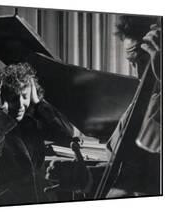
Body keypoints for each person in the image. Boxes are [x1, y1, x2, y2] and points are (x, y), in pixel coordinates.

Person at [45, 15, 161, 198]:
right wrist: (88, 176)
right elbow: (123, 170)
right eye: (133, 63)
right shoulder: (139, 104)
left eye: (144, 61)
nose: (140, 73)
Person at [0, 62, 79, 205]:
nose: (21, 105)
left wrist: (39, 102)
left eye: (25, 96)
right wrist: (3, 112)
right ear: (1, 97)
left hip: (43, 201)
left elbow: (67, 133)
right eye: (14, 98)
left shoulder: (33, 122)